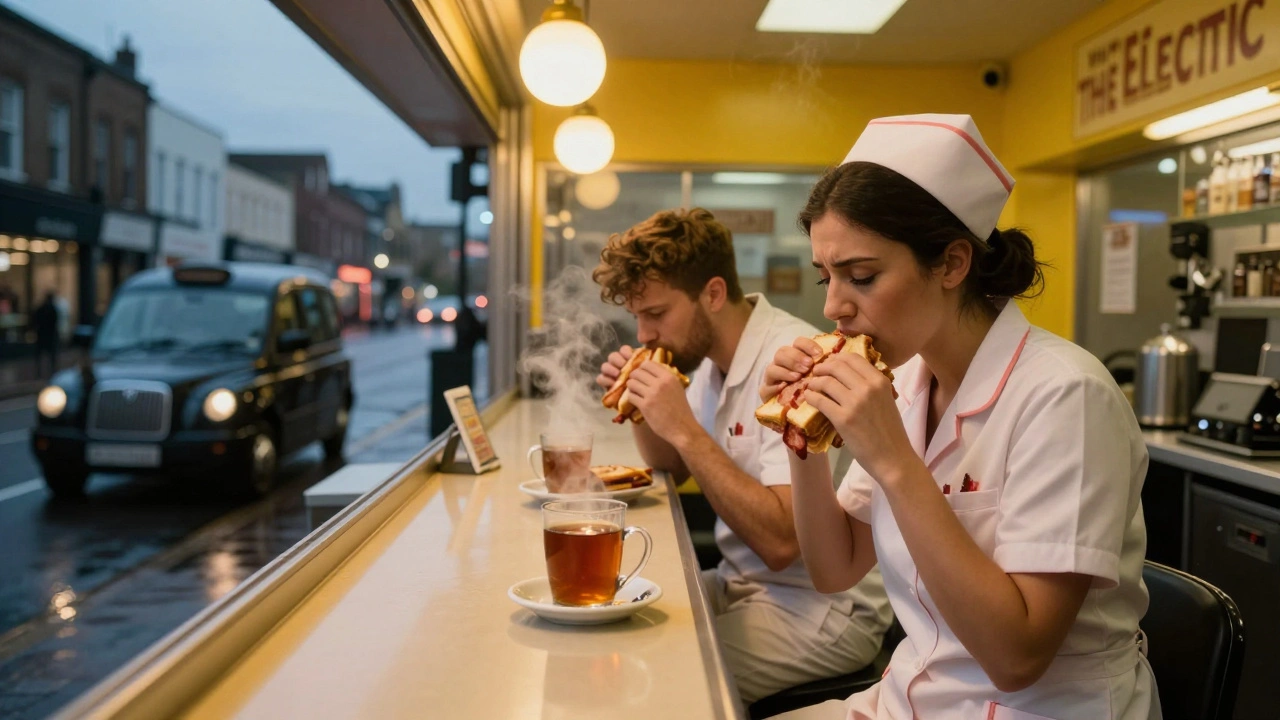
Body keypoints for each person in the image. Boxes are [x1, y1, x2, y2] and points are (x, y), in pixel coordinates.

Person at [764, 114, 1159, 720]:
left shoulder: (1066, 396)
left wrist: (896, 461)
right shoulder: (907, 386)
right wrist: (802, 433)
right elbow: (834, 567)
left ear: (952, 264)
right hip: (911, 697)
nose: (832, 307)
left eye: (861, 277)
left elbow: (1016, 657)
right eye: (826, 276)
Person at [593, 208, 892, 704]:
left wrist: (686, 430)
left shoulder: (794, 360)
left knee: (652, 683)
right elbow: (671, 466)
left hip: (819, 609)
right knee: (610, 624)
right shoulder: (707, 362)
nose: (643, 335)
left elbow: (781, 543)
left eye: (657, 314)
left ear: (712, 294)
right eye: (637, 317)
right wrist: (645, 409)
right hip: (739, 584)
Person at [33, 291, 61, 378]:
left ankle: (40, 372)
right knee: (50, 356)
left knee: (42, 356)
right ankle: (50, 371)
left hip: (43, 334)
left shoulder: (43, 308)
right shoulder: (52, 309)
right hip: (48, 335)